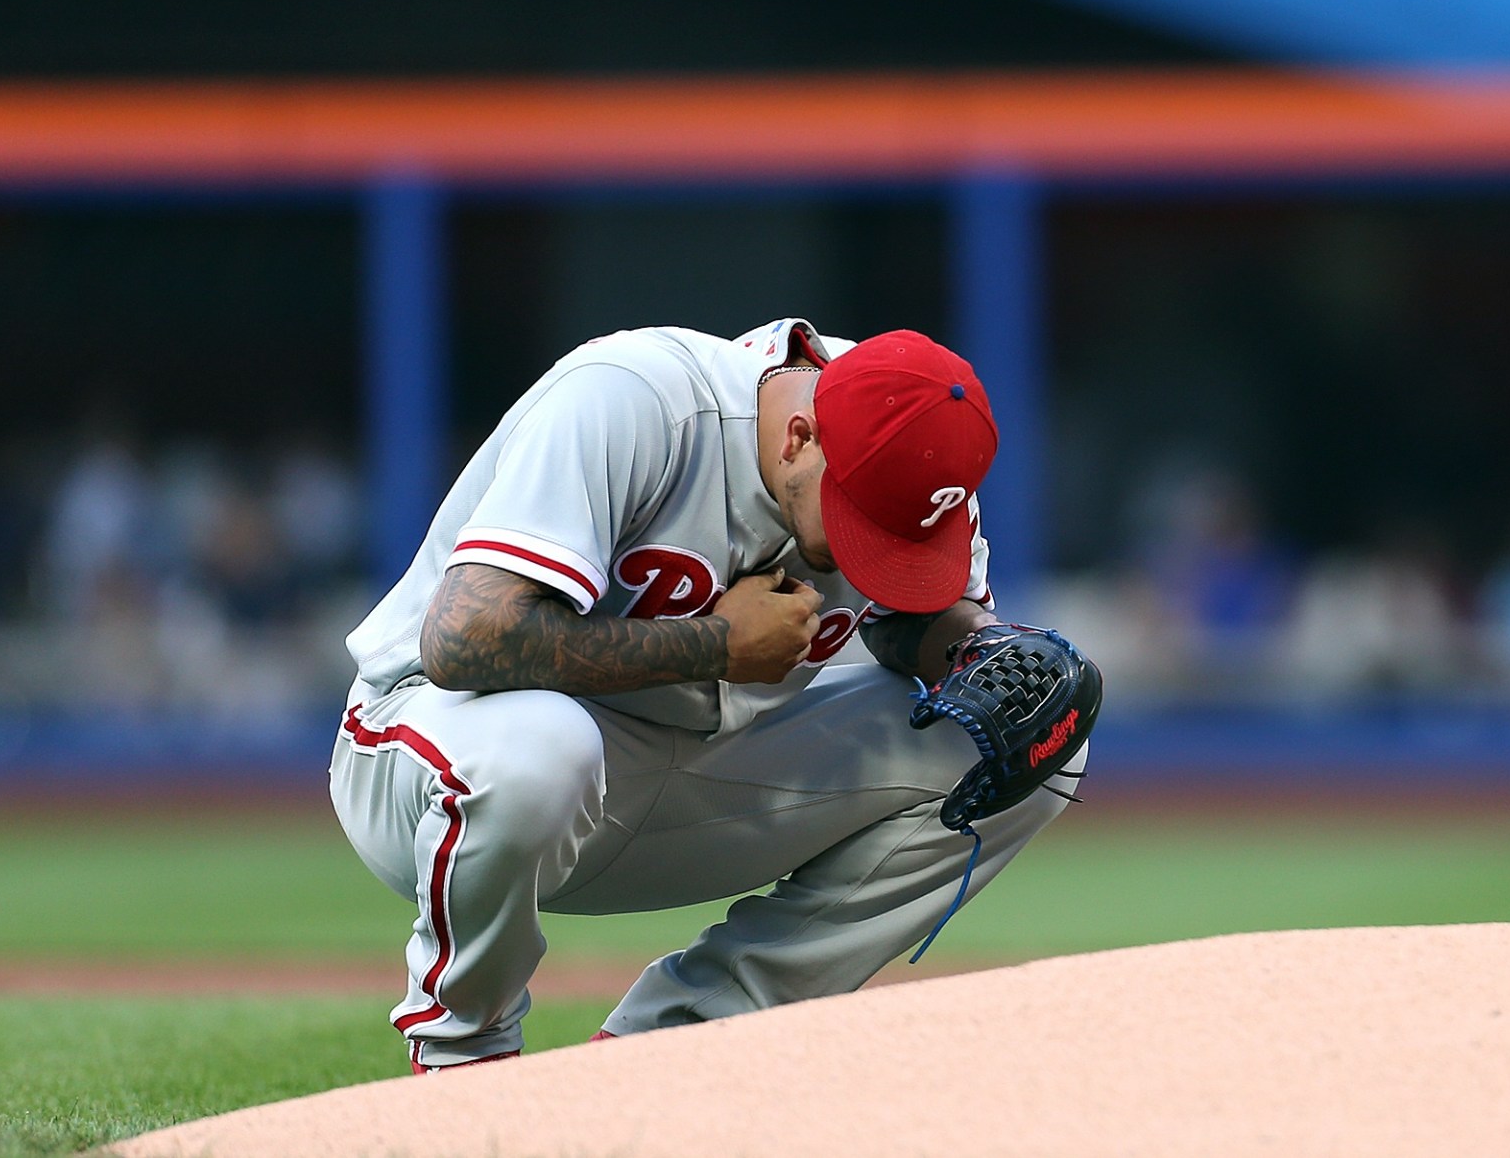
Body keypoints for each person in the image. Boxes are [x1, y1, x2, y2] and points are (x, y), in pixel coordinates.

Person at [330, 319, 1082, 1071]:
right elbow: (465, 639)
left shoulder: (920, 453)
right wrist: (716, 646)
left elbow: (906, 621)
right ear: (797, 438)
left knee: (1020, 745)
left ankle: (680, 1048)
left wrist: (979, 646)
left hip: (694, 770)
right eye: (861, 527)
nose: (871, 553)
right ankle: (467, 1055)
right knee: (540, 748)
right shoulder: (634, 399)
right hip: (432, 759)